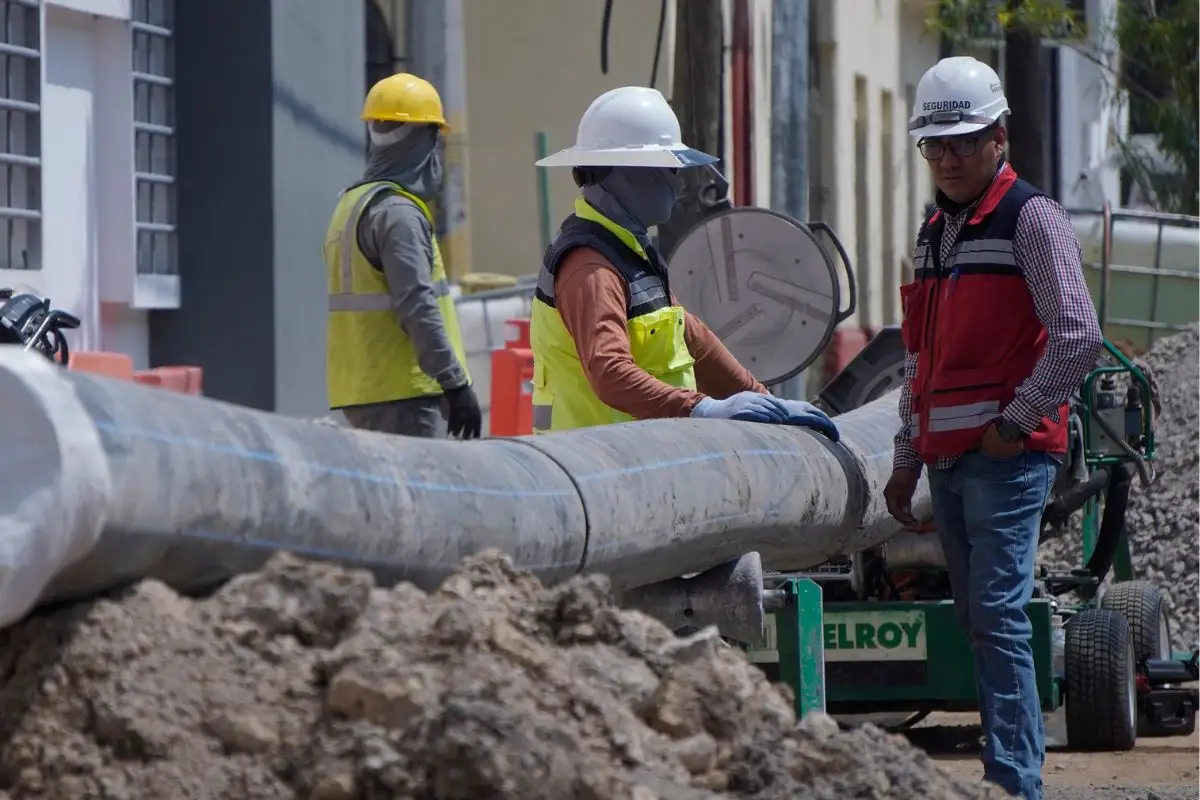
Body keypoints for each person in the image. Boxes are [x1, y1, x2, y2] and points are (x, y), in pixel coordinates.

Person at [883, 57, 1103, 800]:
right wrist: (906, 455)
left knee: (1000, 616)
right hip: (949, 460)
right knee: (977, 619)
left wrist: (1014, 423)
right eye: (934, 146)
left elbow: (1078, 336)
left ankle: (1014, 781)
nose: (947, 159)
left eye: (963, 143)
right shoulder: (934, 233)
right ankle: (1008, 770)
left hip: (1005, 460)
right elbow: (919, 358)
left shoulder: (1030, 219)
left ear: (998, 139)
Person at [528, 85, 838, 439]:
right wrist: (699, 408)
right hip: (599, 463)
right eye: (671, 170)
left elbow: (691, 338)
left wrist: (765, 401)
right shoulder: (591, 268)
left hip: (643, 456)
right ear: (635, 174)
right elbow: (610, 372)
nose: (678, 186)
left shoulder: (628, 252)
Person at [324, 73, 481, 439]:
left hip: (366, 392)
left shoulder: (350, 205)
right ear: (422, 138)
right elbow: (417, 304)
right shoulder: (398, 213)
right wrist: (454, 383)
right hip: (407, 396)